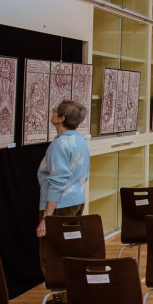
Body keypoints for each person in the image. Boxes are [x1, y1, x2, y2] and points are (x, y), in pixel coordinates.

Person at [35, 99, 90, 282]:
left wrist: (46, 218)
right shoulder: (80, 140)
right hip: (77, 201)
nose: (52, 113)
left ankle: (62, 296)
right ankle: (73, 292)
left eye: (55, 111)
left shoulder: (59, 145)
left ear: (61, 119)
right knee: (70, 249)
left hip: (59, 204)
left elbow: (57, 182)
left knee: (53, 254)